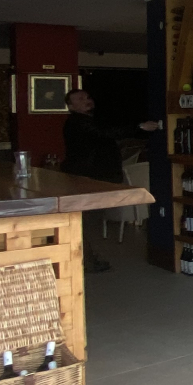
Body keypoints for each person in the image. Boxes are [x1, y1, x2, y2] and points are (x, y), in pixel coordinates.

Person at [62, 90, 160, 272]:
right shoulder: (78, 122)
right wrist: (139, 127)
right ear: (71, 106)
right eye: (81, 99)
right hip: (87, 179)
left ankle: (87, 259)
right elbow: (104, 134)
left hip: (91, 177)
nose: (87, 101)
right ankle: (85, 261)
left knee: (87, 221)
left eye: (88, 97)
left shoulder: (88, 121)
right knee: (85, 221)